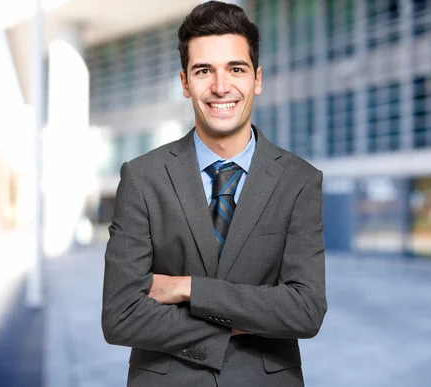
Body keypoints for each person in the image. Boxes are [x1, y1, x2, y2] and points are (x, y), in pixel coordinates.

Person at [101, 1, 327, 386]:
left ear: (256, 79)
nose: (221, 87)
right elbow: (121, 316)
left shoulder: (299, 180)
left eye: (235, 69)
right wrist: (253, 313)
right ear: (185, 82)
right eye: (204, 71)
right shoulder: (142, 177)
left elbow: (305, 311)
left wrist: (187, 288)